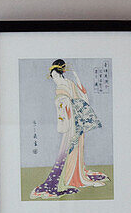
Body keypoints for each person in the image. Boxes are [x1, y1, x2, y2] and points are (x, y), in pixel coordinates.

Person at [30, 59, 109, 199]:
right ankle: (70, 176)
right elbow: (77, 98)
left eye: (54, 75)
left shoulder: (64, 85)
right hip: (71, 119)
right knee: (69, 148)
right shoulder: (65, 85)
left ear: (59, 74)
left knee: (73, 147)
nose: (53, 78)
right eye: (52, 76)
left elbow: (81, 97)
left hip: (73, 120)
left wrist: (76, 78)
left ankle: (74, 177)